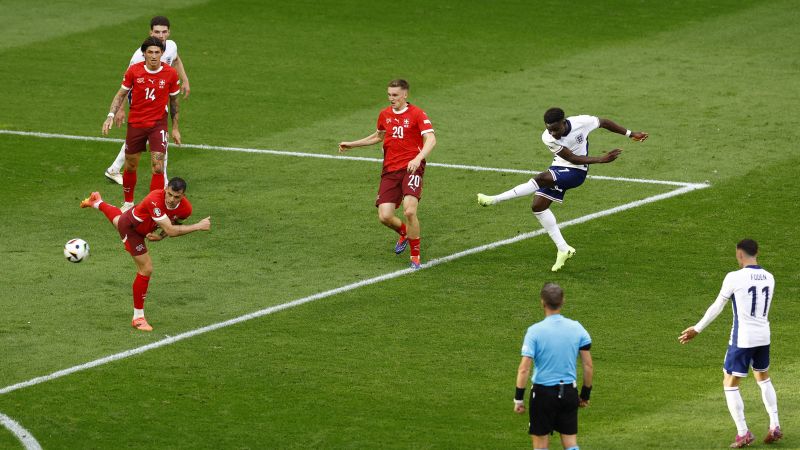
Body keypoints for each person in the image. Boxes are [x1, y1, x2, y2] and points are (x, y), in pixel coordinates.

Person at [477, 107, 648, 271]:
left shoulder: (582, 122)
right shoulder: (547, 137)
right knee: (538, 207)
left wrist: (630, 134)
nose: (552, 133)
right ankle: (563, 248)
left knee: (541, 178)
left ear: (563, 122)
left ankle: (495, 199)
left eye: (555, 129)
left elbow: (603, 122)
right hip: (561, 167)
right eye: (549, 130)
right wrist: (601, 160)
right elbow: (571, 157)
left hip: (576, 173)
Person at [679, 239, 782, 447]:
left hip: (743, 338)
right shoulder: (770, 278)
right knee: (763, 377)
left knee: (729, 382)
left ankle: (743, 433)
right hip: (764, 335)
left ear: (739, 254)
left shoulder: (734, 277)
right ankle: (775, 424)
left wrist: (697, 328)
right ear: (757, 252)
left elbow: (718, 306)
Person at [80, 177, 210, 331]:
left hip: (143, 225)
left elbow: (174, 222)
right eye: (169, 194)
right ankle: (138, 318)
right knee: (146, 268)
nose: (171, 200)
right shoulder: (154, 198)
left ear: (183, 195)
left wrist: (161, 236)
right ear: (165, 189)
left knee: (117, 219)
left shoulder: (186, 209)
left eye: (177, 197)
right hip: (131, 228)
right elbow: (171, 230)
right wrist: (198, 226)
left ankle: (97, 202)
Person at [338, 79, 436, 269]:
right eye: (389, 95)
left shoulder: (417, 114)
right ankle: (405, 232)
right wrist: (352, 143)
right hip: (390, 169)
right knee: (384, 216)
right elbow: (378, 136)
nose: (391, 99)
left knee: (409, 210)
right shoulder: (385, 114)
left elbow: (431, 139)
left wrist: (418, 159)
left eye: (395, 95)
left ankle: (415, 256)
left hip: (411, 167)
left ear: (405, 95)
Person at [104, 15, 191, 188]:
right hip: (140, 96)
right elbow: (126, 83)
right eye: (157, 32)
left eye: (164, 32)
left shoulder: (171, 46)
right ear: (150, 32)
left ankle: (114, 169)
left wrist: (185, 79)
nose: (160, 35)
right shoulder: (139, 56)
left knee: (148, 137)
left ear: (169, 32)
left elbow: (176, 59)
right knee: (150, 135)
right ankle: (163, 181)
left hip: (158, 95)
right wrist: (119, 110)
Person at [102, 36, 181, 213]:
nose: (154, 56)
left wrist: (175, 127)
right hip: (136, 124)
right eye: (150, 52)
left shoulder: (170, 73)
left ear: (162, 53)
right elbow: (121, 94)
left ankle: (154, 205)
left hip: (158, 125)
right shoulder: (134, 71)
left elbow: (174, 101)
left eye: (157, 52)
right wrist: (110, 115)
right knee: (131, 165)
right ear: (144, 54)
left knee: (158, 166)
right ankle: (128, 203)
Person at [514, 282, 593, 450]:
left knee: (541, 446)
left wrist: (518, 398)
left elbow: (524, 369)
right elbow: (588, 366)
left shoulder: (534, 331)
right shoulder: (577, 328)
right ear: (563, 301)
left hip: (543, 394)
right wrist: (585, 395)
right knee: (571, 443)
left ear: (542, 302)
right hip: (569, 393)